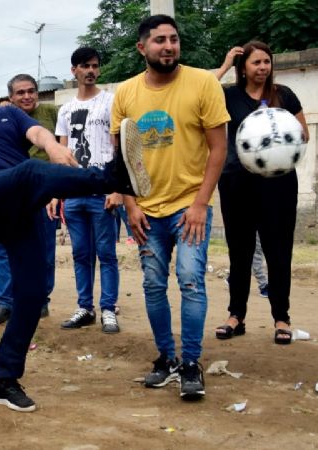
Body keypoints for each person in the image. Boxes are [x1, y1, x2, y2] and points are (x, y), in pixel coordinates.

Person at [0, 59, 137, 412]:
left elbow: (38, 133)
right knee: (31, 171)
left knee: (32, 297)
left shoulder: (9, 115)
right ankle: (112, 179)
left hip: (22, 210)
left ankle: (3, 381)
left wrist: (52, 145)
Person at [111, 15, 229, 399]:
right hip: (144, 211)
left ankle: (191, 363)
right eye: (159, 40)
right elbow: (122, 157)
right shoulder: (126, 92)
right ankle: (166, 358)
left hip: (188, 207)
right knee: (152, 284)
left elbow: (218, 149)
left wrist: (200, 204)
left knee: (191, 280)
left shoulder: (204, 83)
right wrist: (130, 206)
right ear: (142, 48)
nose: (169, 46)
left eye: (174, 39)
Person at [213, 42, 309, 344]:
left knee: (278, 252)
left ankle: (282, 318)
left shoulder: (284, 94)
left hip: (278, 184)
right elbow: (200, 91)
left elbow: (303, 133)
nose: (262, 67)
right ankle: (235, 316)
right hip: (237, 183)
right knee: (239, 253)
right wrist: (226, 63)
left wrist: (277, 132)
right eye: (256, 62)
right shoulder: (229, 96)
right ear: (245, 67)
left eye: (267, 61)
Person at [56, 47, 121, 334]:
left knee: (106, 253)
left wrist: (117, 189)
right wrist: (55, 192)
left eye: (95, 65)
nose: (91, 70)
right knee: (81, 253)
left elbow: (119, 149)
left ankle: (108, 309)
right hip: (73, 191)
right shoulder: (66, 109)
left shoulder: (111, 102)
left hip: (103, 190)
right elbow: (61, 152)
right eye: (85, 66)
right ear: (74, 70)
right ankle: (85, 307)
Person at [0, 73, 59, 326]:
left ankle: (40, 301)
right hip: (10, 193)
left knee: (44, 251)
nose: (27, 96)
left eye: (31, 91)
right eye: (20, 93)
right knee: (4, 249)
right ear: (10, 97)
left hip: (44, 193)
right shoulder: (1, 117)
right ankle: (4, 303)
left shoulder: (52, 113)